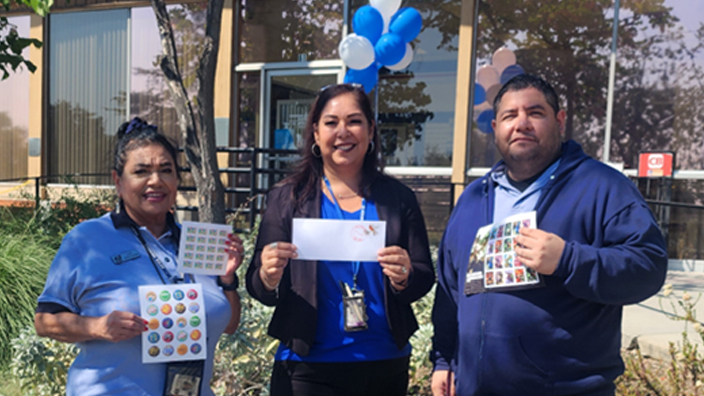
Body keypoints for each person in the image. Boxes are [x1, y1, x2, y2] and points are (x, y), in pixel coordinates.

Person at [430, 74, 668, 396]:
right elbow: (450, 290)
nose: (522, 124)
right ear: (495, 128)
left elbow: (648, 267)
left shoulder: (602, 187)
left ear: (559, 120)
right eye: (509, 116)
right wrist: (444, 360)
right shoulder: (473, 199)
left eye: (535, 113)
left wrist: (568, 260)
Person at [246, 83, 435, 396]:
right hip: (307, 367)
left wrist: (405, 277)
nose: (343, 132)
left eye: (355, 121)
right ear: (316, 134)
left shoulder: (399, 199)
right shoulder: (287, 198)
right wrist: (267, 276)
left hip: (385, 364)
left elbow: (423, 277)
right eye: (331, 122)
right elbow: (258, 286)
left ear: (371, 131)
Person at [34, 117, 244, 396]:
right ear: (118, 181)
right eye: (141, 171)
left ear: (177, 181)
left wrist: (227, 279)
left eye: (166, 170)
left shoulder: (198, 243)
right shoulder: (87, 240)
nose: (155, 181)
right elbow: (45, 321)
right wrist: (96, 327)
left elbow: (228, 325)